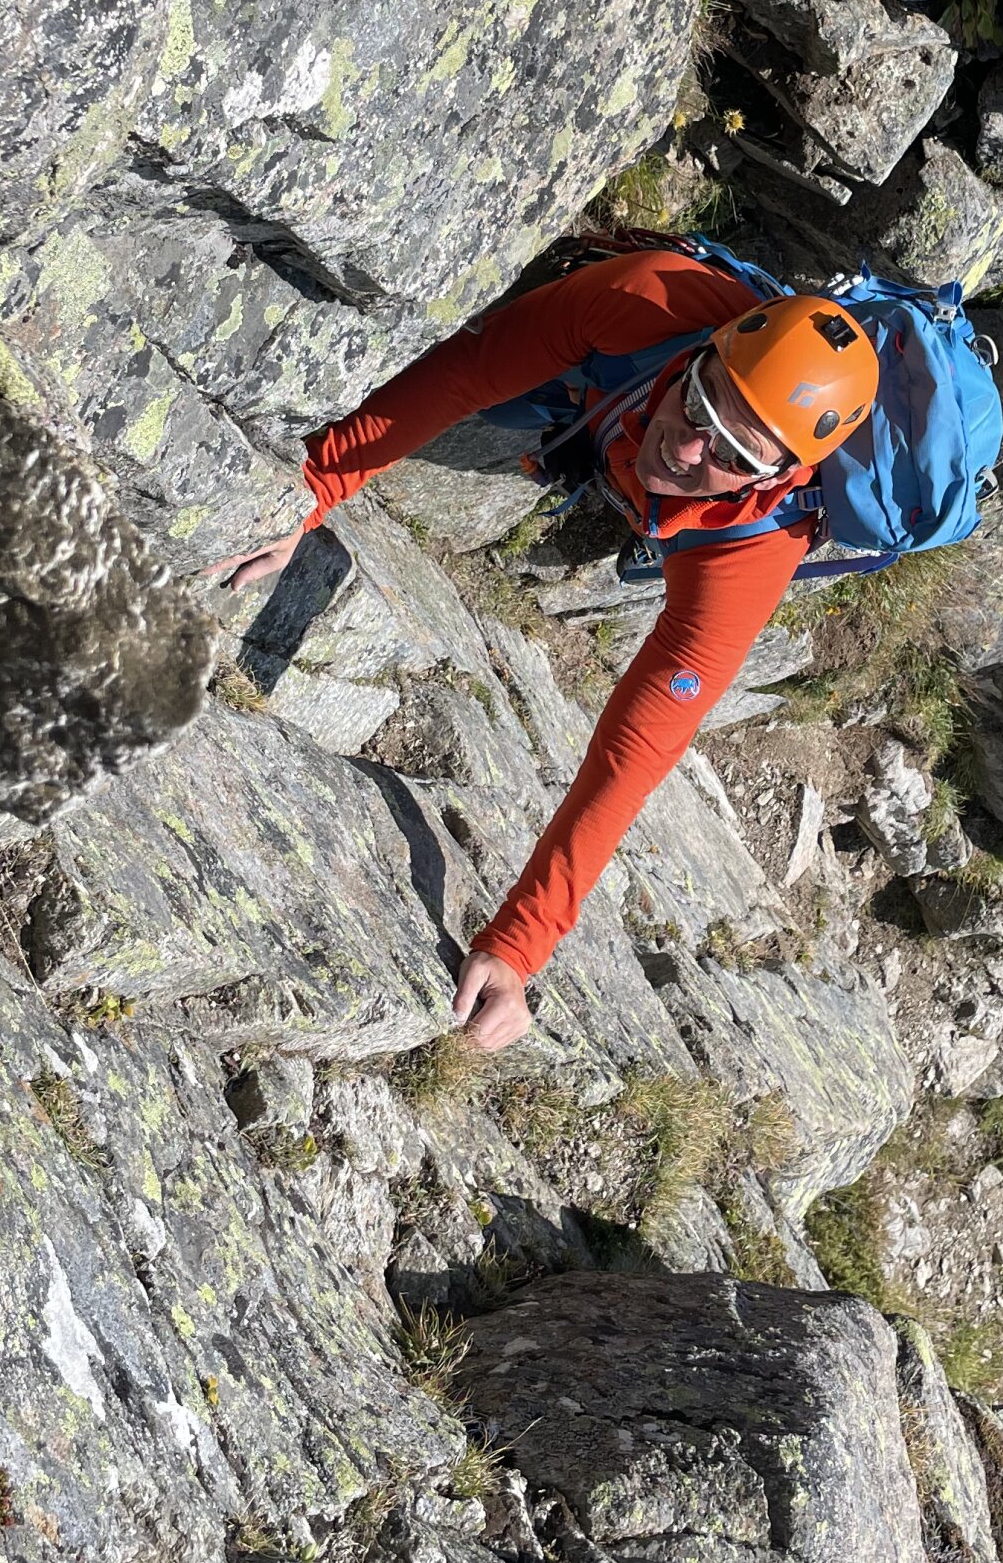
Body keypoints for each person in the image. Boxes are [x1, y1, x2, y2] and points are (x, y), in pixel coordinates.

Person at [220, 246, 880, 1052]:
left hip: (679, 494)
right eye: (701, 401)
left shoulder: (747, 561)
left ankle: (608, 451)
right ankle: (597, 435)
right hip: (612, 371)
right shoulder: (646, 301)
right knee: (507, 402)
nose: (689, 448)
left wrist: (519, 945)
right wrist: (318, 487)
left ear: (775, 477)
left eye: (732, 456)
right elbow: (467, 372)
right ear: (703, 353)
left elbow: (634, 752)